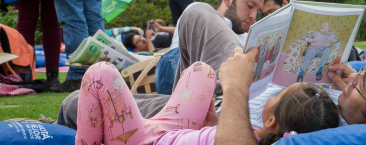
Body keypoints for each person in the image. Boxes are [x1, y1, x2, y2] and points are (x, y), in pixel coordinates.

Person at [74, 53, 339, 145]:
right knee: (203, 71)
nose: (274, 94)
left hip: (144, 141)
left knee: (100, 74)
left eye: (278, 95)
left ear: (270, 119)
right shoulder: (251, 135)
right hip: (172, 131)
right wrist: (213, 124)